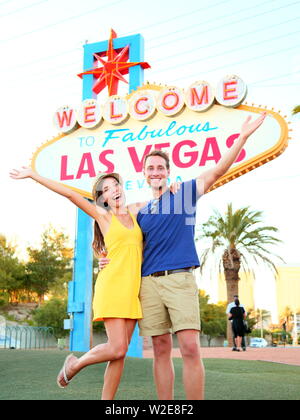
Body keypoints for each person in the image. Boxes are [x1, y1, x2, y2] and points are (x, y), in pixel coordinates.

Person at [100, 112, 267, 400]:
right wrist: (103, 258)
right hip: (148, 285)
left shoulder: (185, 193)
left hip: (180, 279)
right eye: (150, 168)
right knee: (161, 349)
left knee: (190, 347)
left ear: (168, 171)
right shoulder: (138, 210)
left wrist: (242, 137)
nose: (155, 172)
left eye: (160, 167)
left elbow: (216, 171)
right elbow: (113, 230)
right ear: (144, 173)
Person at [9, 168, 146, 399]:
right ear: (101, 199)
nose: (113, 190)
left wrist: (173, 189)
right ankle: (74, 365)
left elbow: (163, 200)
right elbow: (71, 195)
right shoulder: (104, 217)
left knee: (118, 355)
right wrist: (35, 175)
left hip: (133, 291)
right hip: (111, 287)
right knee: (118, 348)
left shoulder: (135, 211)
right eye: (106, 190)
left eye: (116, 185)